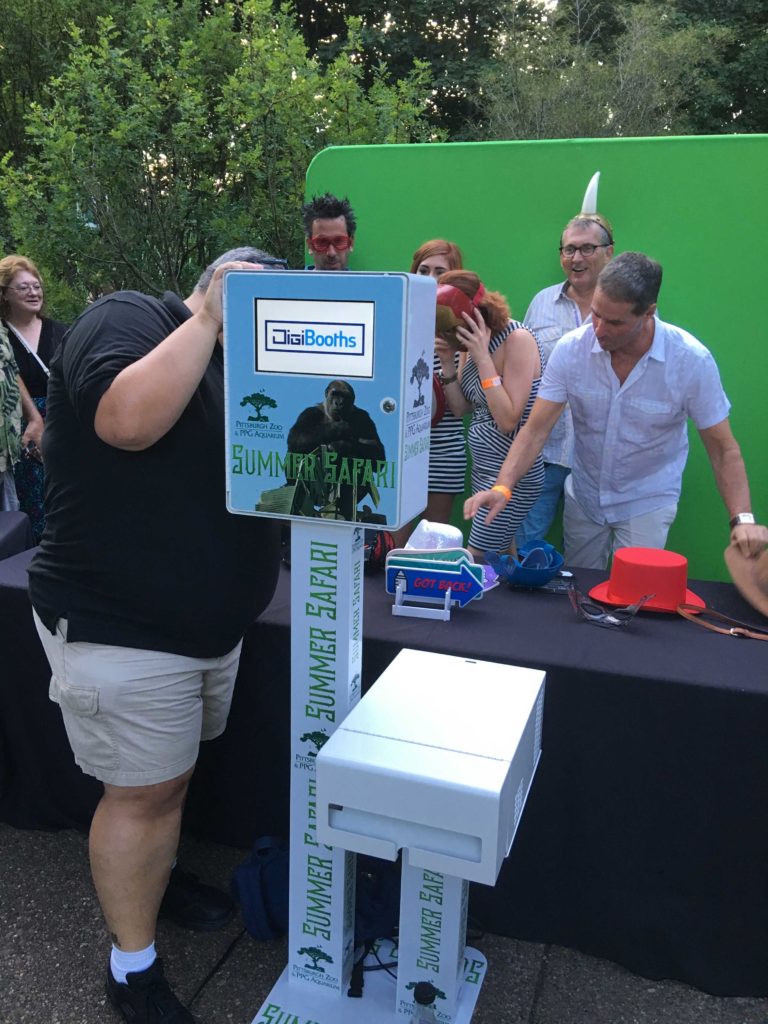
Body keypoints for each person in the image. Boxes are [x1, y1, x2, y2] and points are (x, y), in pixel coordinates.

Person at [29, 247, 284, 1024]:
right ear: (216, 281)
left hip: (204, 628)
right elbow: (128, 422)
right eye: (248, 300)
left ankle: (152, 879)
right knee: (140, 795)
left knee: (164, 780)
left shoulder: (236, 367)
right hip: (121, 622)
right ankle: (131, 969)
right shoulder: (134, 317)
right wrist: (209, 312)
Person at [465, 252, 766, 569]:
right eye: (595, 314)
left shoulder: (691, 360)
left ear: (648, 313)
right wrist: (503, 486)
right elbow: (535, 430)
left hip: (647, 500)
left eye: (615, 322)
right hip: (584, 497)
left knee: (637, 597)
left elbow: (722, 449)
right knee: (579, 592)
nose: (598, 328)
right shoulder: (572, 349)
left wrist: (742, 519)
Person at [515, 213, 614, 548]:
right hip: (544, 453)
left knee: (589, 556)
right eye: (569, 249)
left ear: (608, 253)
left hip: (600, 460)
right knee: (523, 546)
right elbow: (523, 370)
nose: (576, 258)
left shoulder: (628, 307)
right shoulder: (542, 303)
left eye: (587, 249)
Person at [435, 270, 543, 560]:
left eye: (451, 328)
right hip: (484, 469)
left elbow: (508, 420)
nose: (449, 336)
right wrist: (448, 363)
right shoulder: (469, 346)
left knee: (476, 557)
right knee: (501, 561)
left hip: (512, 475)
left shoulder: (517, 339)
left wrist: (483, 359)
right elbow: (461, 409)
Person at [393, 239, 465, 546]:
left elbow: (462, 410)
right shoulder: (399, 323)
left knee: (430, 551)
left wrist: (448, 360)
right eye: (424, 270)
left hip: (443, 453)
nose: (431, 279)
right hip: (401, 452)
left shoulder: (463, 333)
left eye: (440, 272)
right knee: (390, 548)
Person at [0, 254, 68, 540]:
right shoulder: (3, 336)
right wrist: (33, 418)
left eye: (37, 286)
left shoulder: (61, 331)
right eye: (23, 287)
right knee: (30, 506)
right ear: (4, 294)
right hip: (22, 434)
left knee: (65, 500)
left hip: (63, 426)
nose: (33, 292)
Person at [301, 192, 356, 271]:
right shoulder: (292, 283)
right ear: (310, 245)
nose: (331, 253)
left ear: (351, 243)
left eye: (339, 241)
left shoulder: (366, 283)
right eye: (322, 242)